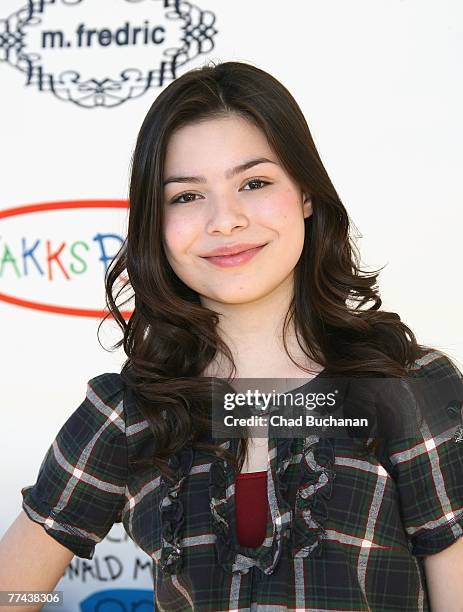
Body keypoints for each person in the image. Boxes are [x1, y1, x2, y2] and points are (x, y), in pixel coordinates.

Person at [1, 60, 462, 612]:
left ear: (307, 195)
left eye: (255, 183)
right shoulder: (129, 412)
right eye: (187, 196)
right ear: (156, 222)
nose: (225, 220)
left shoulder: (406, 389)